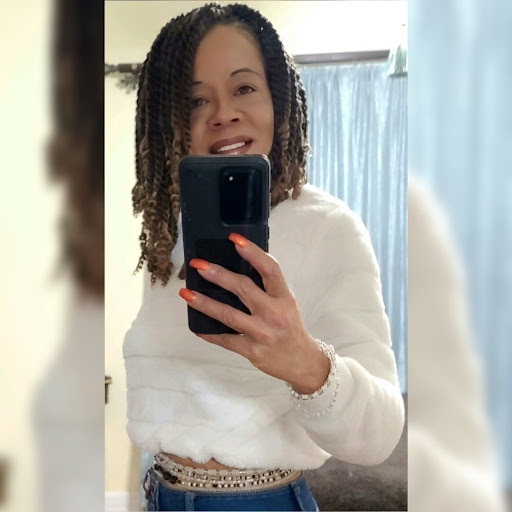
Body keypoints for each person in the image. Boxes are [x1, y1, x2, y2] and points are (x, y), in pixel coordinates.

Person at [123, 3, 405, 510]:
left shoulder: (329, 227)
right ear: (170, 120)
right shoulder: (173, 229)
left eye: (244, 88)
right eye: (195, 100)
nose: (223, 113)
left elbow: (382, 433)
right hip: (159, 494)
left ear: (277, 99)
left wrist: (307, 363)